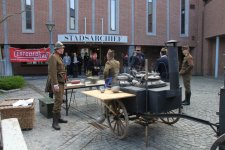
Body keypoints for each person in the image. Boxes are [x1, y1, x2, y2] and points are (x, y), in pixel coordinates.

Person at [45, 41, 68, 130]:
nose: (63, 49)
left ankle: (58, 118)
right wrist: (55, 84)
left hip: (61, 82)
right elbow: (52, 72)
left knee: (60, 100)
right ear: (58, 49)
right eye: (62, 48)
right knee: (58, 101)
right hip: (57, 82)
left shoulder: (58, 57)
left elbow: (61, 70)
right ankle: (54, 122)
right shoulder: (53, 57)